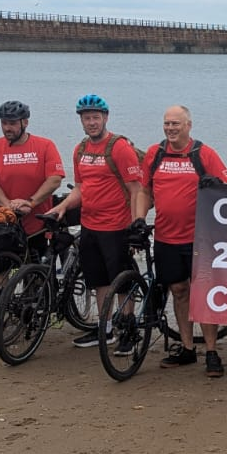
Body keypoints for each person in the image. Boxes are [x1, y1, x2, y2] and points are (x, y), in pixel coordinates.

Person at [44, 94, 146, 348]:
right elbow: (81, 188)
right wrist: (62, 207)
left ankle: (128, 328)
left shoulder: (119, 147)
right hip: (90, 225)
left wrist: (136, 225)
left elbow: (136, 189)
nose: (91, 122)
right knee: (98, 281)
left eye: (96, 118)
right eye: (87, 118)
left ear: (105, 118)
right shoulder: (80, 150)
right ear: (81, 121)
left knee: (122, 282)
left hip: (117, 227)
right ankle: (106, 329)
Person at [143, 104, 227, 377]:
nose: (171, 128)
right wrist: (138, 219)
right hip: (165, 237)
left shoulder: (203, 154)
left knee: (204, 294)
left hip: (201, 238)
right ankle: (186, 348)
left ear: (188, 126)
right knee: (179, 290)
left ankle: (211, 351)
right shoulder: (154, 154)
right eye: (167, 123)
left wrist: (214, 185)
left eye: (176, 124)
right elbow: (143, 191)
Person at [0, 100, 65, 253]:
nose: (7, 128)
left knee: (36, 272)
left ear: (25, 122)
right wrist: (8, 207)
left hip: (37, 222)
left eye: (12, 123)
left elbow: (55, 179)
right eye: (3, 123)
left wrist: (30, 203)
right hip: (3, 221)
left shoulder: (45, 145)